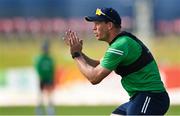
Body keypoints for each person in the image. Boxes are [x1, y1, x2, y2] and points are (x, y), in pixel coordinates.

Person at [64, 7, 170, 115]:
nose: (94, 28)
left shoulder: (120, 45)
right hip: (140, 97)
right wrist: (79, 53)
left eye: (97, 24)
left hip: (152, 97)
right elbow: (99, 65)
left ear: (109, 25)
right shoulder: (121, 42)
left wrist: (76, 55)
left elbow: (94, 77)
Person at [34, 39, 55, 115]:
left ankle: (50, 111)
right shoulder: (40, 59)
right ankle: (38, 110)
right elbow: (38, 69)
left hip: (49, 79)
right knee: (40, 95)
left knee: (49, 95)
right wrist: (40, 77)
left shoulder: (50, 59)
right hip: (42, 79)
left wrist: (52, 78)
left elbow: (52, 70)